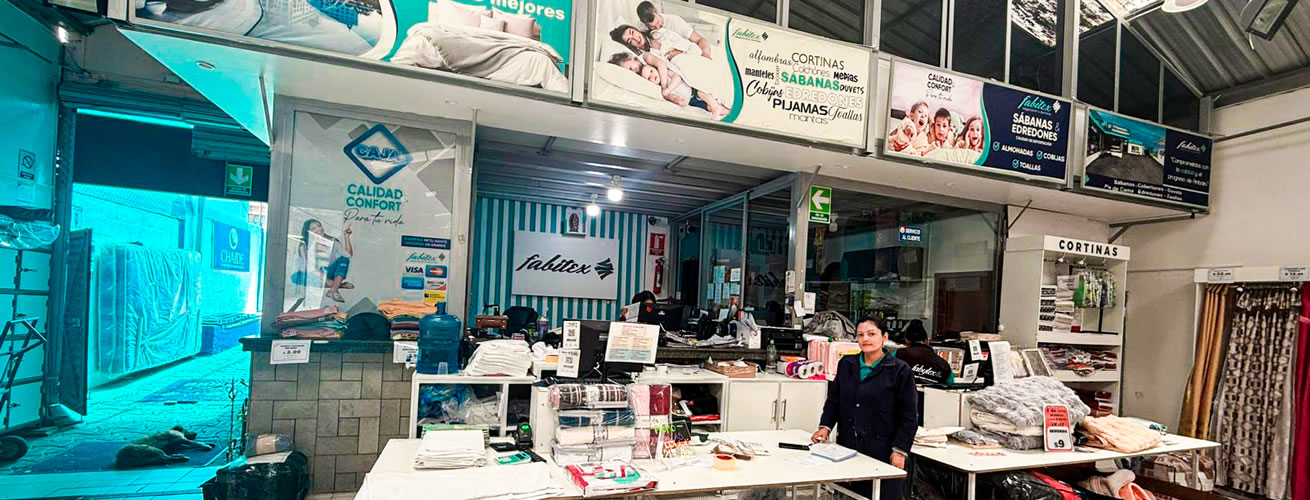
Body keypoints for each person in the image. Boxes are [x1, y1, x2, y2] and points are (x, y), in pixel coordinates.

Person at [812, 317, 918, 500]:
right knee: (848, 495)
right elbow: (834, 401)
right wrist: (825, 427)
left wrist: (899, 450)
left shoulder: (900, 371)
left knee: (879, 494)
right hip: (848, 445)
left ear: (884, 337)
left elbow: (908, 416)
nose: (865, 339)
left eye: (871, 334)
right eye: (860, 335)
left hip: (882, 449)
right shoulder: (847, 364)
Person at [300, 218, 354, 303]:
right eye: (313, 228)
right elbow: (310, 269)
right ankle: (338, 285)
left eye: (319, 226)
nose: (318, 229)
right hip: (316, 276)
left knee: (344, 259)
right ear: (308, 232)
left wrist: (346, 237)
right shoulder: (304, 247)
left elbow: (348, 255)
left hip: (329, 273)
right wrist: (325, 279)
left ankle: (333, 289)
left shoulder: (333, 241)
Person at [637, 1, 712, 59]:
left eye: (658, 22)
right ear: (643, 23)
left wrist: (706, 54)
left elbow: (700, 39)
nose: (657, 27)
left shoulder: (675, 21)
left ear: (656, 11)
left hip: (685, 53)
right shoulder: (641, 28)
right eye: (652, 27)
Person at [893, 319, 954, 386]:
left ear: (907, 341)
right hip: (931, 393)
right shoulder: (943, 364)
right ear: (927, 341)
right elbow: (950, 383)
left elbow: (886, 372)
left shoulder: (898, 354)